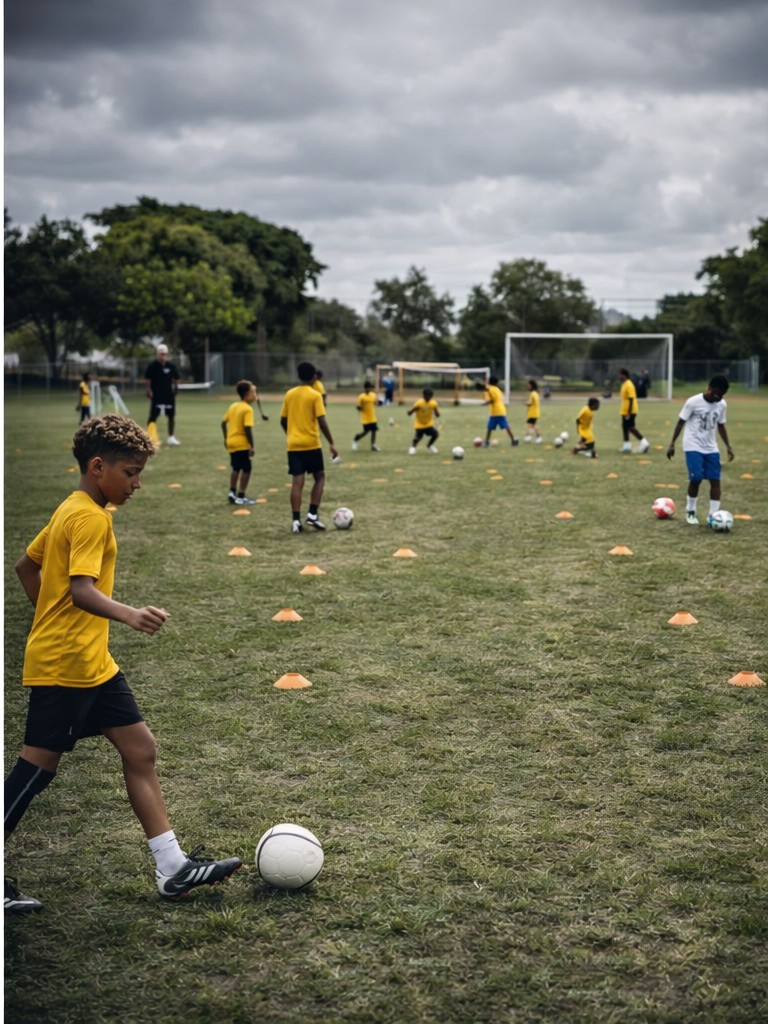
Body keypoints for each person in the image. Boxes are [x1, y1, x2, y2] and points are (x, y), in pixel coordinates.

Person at [4, 414, 242, 914]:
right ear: (98, 467)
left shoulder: (73, 506)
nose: (137, 484)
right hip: (69, 664)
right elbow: (81, 590)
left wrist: (50, 621)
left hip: (92, 662)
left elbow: (28, 565)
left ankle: (173, 867)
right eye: (130, 472)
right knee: (35, 770)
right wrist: (128, 614)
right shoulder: (89, 517)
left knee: (140, 749)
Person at [666, 374, 734, 526]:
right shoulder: (693, 402)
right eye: (717, 393)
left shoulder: (722, 404)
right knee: (696, 478)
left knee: (715, 480)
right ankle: (691, 510)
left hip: (711, 447)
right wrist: (672, 443)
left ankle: (713, 515)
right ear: (709, 388)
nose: (719, 397)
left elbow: (721, 425)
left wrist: (728, 446)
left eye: (722, 395)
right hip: (693, 445)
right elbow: (680, 422)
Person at [280, 362, 339, 533]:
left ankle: (296, 521)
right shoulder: (315, 395)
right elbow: (322, 421)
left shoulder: (289, 394)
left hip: (293, 444)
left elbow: (283, 420)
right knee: (319, 477)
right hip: (311, 443)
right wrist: (332, 443)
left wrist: (291, 434)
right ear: (314, 377)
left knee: (297, 483)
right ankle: (312, 514)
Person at [221, 379, 263, 505]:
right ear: (246, 394)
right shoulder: (247, 409)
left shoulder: (233, 406)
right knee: (246, 469)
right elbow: (247, 428)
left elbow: (223, 423)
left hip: (231, 442)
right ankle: (241, 496)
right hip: (241, 443)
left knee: (235, 467)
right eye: (253, 392)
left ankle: (232, 492)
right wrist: (252, 446)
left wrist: (225, 439)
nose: (255, 395)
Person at [145, 343, 181, 446]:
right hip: (156, 395)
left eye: (164, 354)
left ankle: (171, 437)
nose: (163, 356)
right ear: (157, 354)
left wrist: (176, 388)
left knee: (171, 416)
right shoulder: (152, 366)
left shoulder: (171, 366)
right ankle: (150, 437)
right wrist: (149, 390)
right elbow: (148, 380)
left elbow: (176, 378)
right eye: (161, 354)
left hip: (168, 395)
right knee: (153, 416)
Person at [618, 368, 649, 453]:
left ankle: (644, 442)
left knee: (630, 427)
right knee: (625, 427)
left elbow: (631, 399)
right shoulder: (624, 384)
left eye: (620, 374)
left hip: (630, 410)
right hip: (624, 410)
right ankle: (626, 446)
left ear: (624, 375)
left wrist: (629, 411)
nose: (619, 376)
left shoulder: (629, 384)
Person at [482, 376, 518, 447]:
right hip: (501, 410)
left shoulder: (490, 389)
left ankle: (486, 442)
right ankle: (513, 440)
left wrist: (485, 403)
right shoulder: (497, 389)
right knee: (506, 427)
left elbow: (492, 399)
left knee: (490, 428)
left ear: (489, 382)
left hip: (495, 411)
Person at [407, 387, 440, 454]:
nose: (428, 397)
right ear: (423, 395)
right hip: (419, 423)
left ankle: (430, 445)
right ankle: (413, 448)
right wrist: (410, 412)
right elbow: (414, 409)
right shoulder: (419, 403)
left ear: (432, 396)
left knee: (435, 434)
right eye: (426, 396)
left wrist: (437, 414)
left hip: (428, 423)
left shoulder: (433, 403)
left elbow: (436, 411)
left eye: (429, 396)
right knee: (417, 438)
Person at [352, 381, 381, 451]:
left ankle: (373, 445)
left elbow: (376, 403)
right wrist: (359, 408)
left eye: (369, 388)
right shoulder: (361, 397)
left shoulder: (373, 395)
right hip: (365, 418)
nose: (368, 389)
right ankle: (355, 439)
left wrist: (380, 403)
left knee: (374, 431)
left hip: (373, 417)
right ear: (364, 388)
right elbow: (358, 406)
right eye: (366, 388)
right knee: (366, 432)